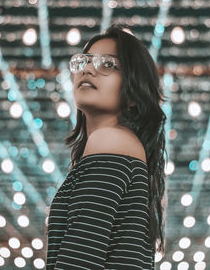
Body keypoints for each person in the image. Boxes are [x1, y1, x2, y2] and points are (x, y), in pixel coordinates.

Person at [46, 25, 167, 269]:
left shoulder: (110, 141)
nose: (88, 69)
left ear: (133, 94)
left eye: (108, 65)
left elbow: (79, 262)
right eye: (83, 61)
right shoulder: (121, 146)